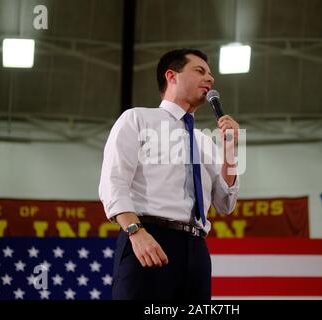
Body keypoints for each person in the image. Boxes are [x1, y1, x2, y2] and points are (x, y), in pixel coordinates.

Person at [98, 48, 240, 300]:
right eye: (200, 71)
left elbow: (225, 203)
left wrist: (230, 150)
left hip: (196, 248)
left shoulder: (206, 141)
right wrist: (136, 232)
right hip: (149, 236)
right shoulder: (137, 119)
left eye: (211, 74)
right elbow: (114, 181)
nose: (210, 79)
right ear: (171, 76)